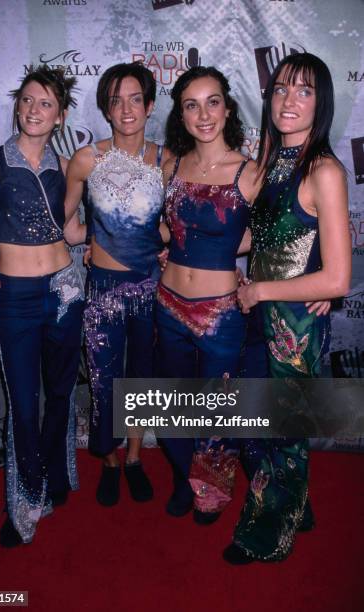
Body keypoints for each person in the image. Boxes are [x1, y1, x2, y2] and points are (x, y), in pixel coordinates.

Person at [223, 52, 351, 564]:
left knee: (282, 425)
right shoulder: (274, 162)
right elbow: (265, 236)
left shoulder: (324, 170)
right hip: (263, 317)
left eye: (303, 91)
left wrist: (261, 291)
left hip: (294, 323)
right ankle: (296, 504)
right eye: (280, 89)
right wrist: (196, 250)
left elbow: (338, 277)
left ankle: (269, 533)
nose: (288, 101)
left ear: (321, 103)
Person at [0, 66, 85, 547]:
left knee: (60, 394)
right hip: (14, 296)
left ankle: (56, 472)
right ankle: (27, 498)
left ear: (61, 116)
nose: (34, 110)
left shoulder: (68, 167)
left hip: (66, 289)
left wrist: (130, 237)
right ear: (18, 105)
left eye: (46, 104)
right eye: (28, 100)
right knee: (23, 404)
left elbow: (72, 231)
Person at [64, 62, 170, 506]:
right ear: (106, 109)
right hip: (103, 289)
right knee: (106, 380)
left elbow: (173, 226)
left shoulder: (167, 161)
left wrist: (151, 242)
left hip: (149, 287)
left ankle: (132, 457)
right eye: (115, 100)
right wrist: (93, 239)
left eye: (134, 99)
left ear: (149, 105)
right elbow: (66, 222)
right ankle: (108, 460)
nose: (126, 109)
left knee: (141, 377)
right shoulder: (89, 158)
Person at [157, 66, 260, 520]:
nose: (203, 114)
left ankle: (212, 489)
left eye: (212, 101)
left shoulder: (251, 172)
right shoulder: (170, 167)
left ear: (228, 108)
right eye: (191, 105)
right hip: (168, 305)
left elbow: (274, 235)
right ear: (180, 115)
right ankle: (184, 477)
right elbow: (161, 229)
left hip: (220, 314)